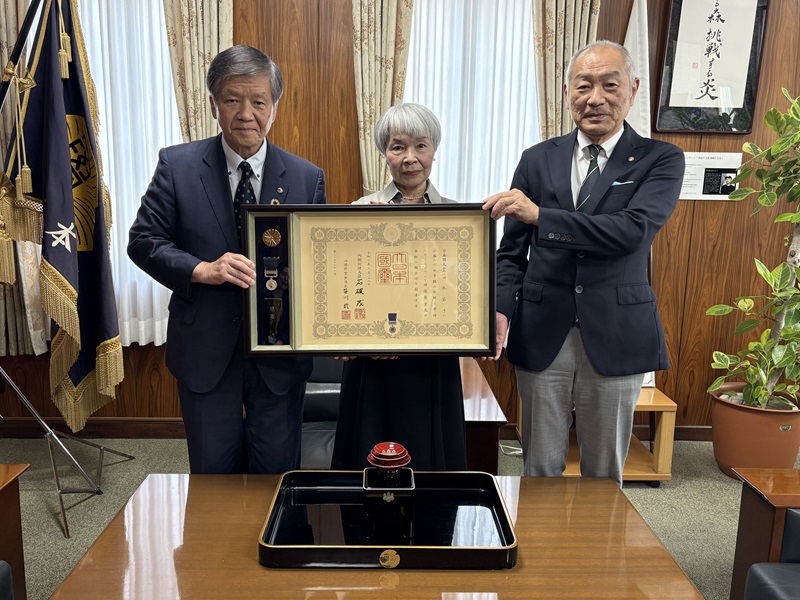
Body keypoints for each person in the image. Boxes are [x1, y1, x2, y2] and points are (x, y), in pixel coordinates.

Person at [482, 40, 684, 487]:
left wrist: (542, 216)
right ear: (567, 92)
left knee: (604, 471)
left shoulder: (660, 159)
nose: (595, 98)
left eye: (610, 85)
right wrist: (499, 309)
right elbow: (512, 251)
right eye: (583, 85)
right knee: (539, 467)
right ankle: (541, 535)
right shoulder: (537, 158)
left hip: (616, 329)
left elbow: (631, 232)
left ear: (632, 89)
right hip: (542, 326)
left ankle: (602, 537)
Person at [128, 45, 327, 474]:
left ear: (274, 107)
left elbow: (318, 267)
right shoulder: (177, 165)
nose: (246, 114)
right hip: (205, 349)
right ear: (214, 104)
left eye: (259, 102)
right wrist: (202, 269)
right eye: (232, 100)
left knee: (276, 475)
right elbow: (143, 241)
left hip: (279, 354)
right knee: (212, 476)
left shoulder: (306, 177)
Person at [331, 103, 468, 471]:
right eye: (397, 147)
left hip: (432, 360)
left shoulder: (459, 218)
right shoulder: (360, 210)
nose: (410, 158)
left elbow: (459, 292)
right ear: (384, 153)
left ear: (434, 150)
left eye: (420, 146)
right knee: (366, 461)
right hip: (371, 361)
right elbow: (345, 287)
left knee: (431, 466)